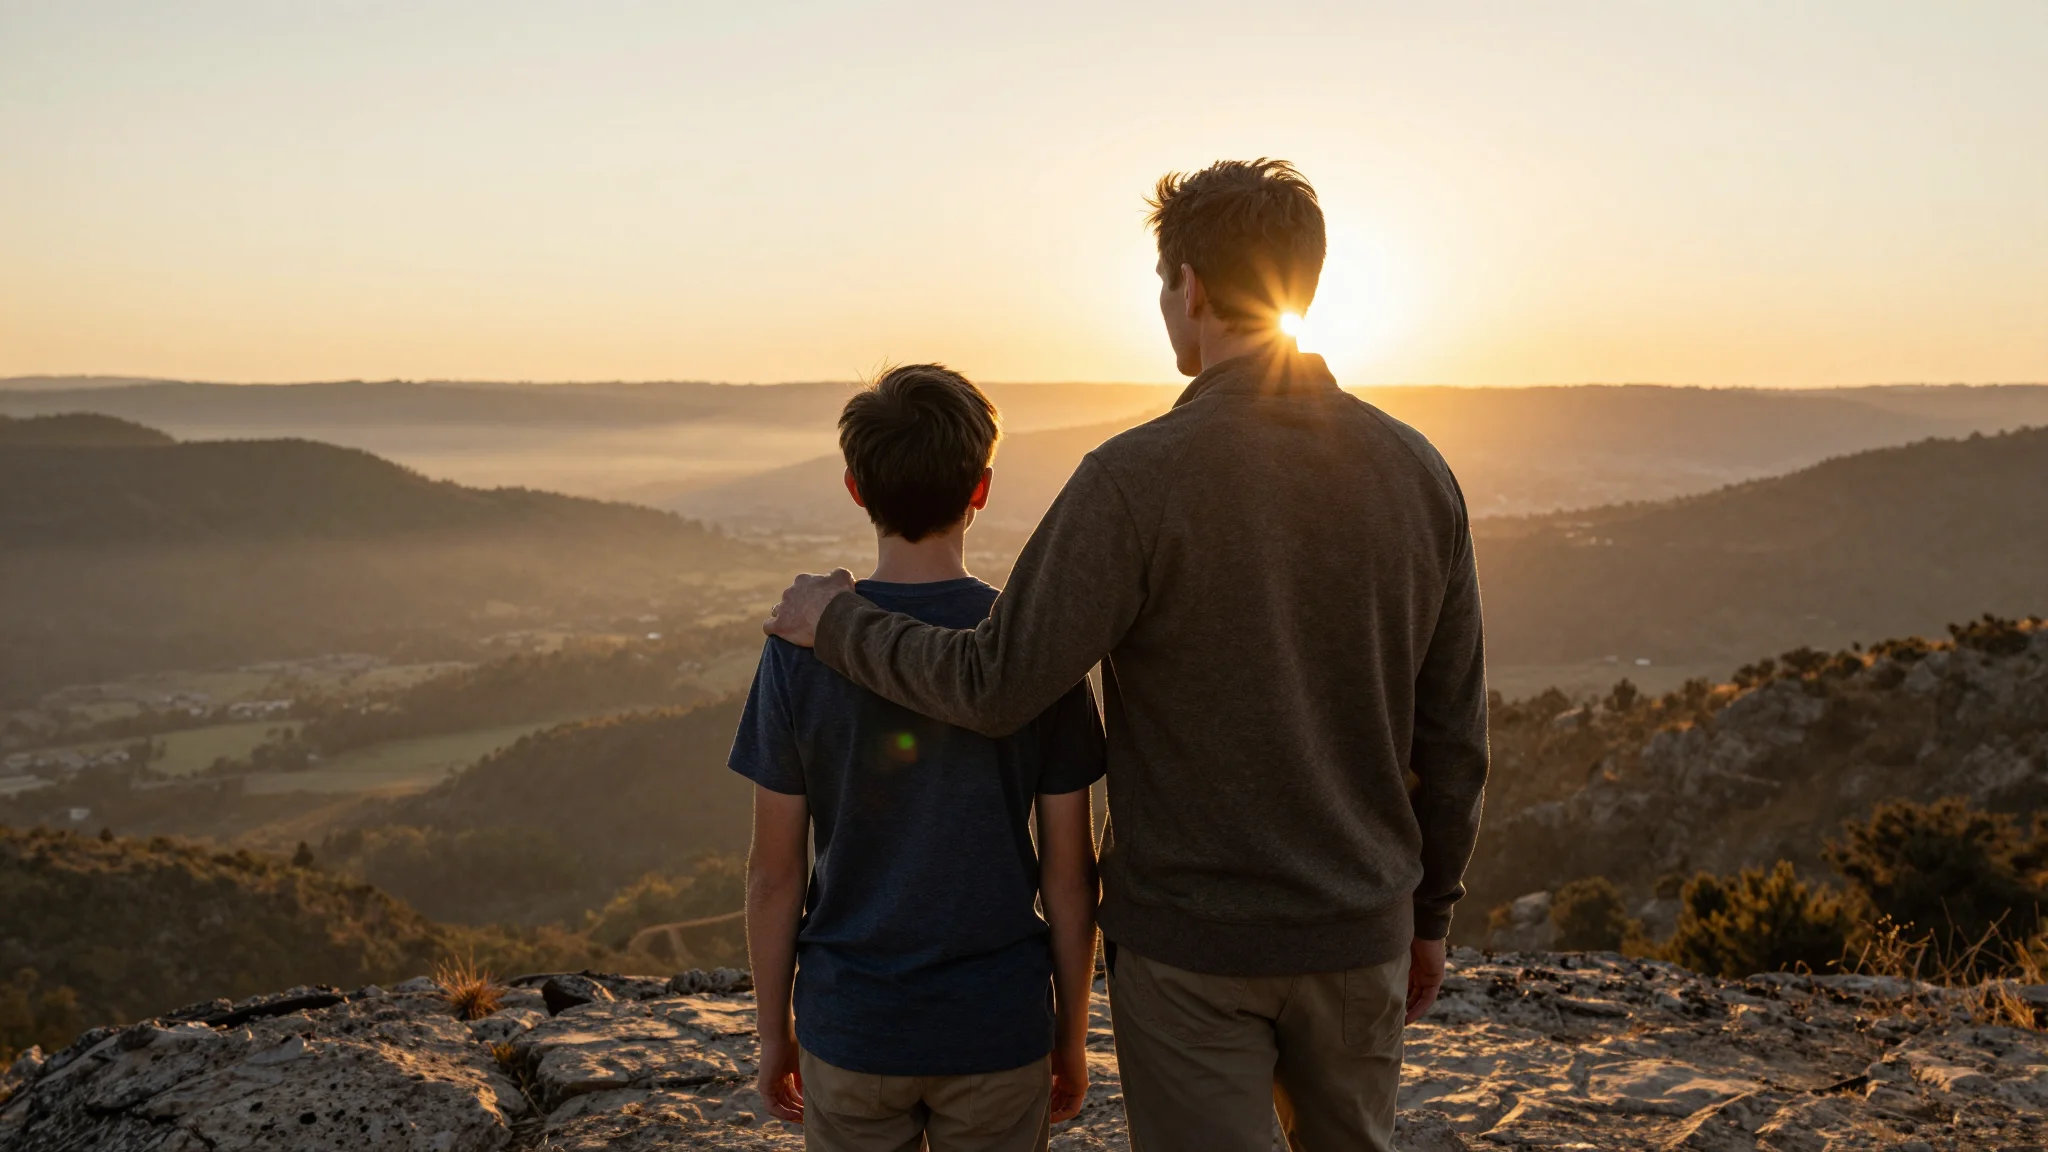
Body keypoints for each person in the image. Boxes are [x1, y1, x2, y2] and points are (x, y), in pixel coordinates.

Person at [761, 159, 1490, 1151]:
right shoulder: (1419, 473)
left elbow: (995, 682)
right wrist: (1429, 912)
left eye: (1160, 284)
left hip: (1190, 951)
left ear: (1190, 286)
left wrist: (836, 623)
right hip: (1358, 934)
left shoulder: (1133, 480)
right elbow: (1453, 736)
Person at [734, 363, 1105, 1152]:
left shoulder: (799, 647)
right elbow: (1070, 875)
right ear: (981, 489)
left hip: (853, 1027)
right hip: (998, 1026)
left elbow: (774, 875)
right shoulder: (1030, 652)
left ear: (856, 489)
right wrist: (1070, 1036)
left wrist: (774, 1034)